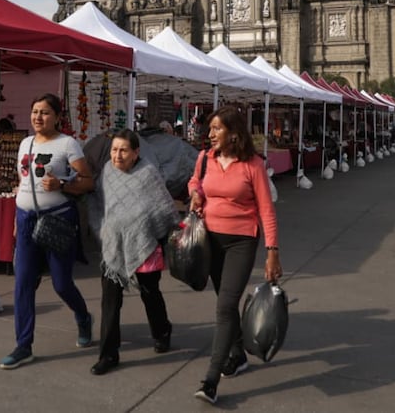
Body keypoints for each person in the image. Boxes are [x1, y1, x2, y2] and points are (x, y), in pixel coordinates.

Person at [188, 106, 282, 405]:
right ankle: (238, 354)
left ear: (234, 133)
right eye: (210, 128)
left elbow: (266, 210)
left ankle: (211, 380)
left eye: (217, 128)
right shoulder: (205, 158)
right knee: (226, 305)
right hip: (210, 241)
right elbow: (195, 181)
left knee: (225, 305)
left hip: (241, 242)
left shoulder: (253, 165)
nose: (211, 134)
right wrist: (195, 193)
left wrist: (272, 252)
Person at [0, 93, 95, 370]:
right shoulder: (25, 143)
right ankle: (23, 345)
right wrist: (18, 221)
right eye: (35, 112)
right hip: (25, 219)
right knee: (23, 283)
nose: (38, 117)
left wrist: (62, 186)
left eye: (44, 112)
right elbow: (24, 181)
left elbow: (87, 182)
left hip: (57, 221)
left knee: (61, 283)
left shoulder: (68, 144)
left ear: (57, 116)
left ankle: (83, 317)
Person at [85, 129, 179, 376]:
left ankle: (162, 331)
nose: (117, 155)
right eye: (114, 150)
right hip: (113, 246)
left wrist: (148, 228)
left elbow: (164, 209)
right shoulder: (107, 172)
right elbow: (98, 204)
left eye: (124, 150)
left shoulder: (148, 173)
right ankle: (108, 354)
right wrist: (103, 230)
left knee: (150, 293)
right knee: (110, 302)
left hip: (144, 243)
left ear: (136, 152)